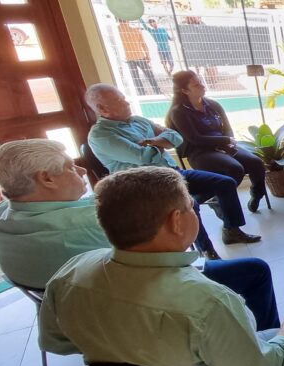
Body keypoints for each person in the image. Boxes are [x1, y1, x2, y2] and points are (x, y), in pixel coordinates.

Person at [38, 167, 284, 366]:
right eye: (191, 206)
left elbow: (57, 343)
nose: (195, 211)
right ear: (176, 221)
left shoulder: (70, 273)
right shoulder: (207, 301)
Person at [0, 139, 280, 330]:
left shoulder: (4, 214)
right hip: (131, 307)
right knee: (255, 270)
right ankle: (267, 341)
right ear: (46, 179)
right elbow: (169, 248)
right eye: (71, 167)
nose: (82, 170)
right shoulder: (91, 222)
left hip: (64, 315)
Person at [85, 83, 261, 246]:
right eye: (120, 100)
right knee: (190, 204)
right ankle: (207, 250)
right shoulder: (101, 135)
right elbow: (143, 157)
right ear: (102, 108)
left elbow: (176, 137)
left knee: (225, 183)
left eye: (124, 98)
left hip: (173, 173)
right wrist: (161, 142)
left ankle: (231, 231)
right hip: (145, 184)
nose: (127, 102)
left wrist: (153, 142)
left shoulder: (138, 120)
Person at [168, 70, 267, 213]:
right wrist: (225, 140)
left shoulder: (213, 105)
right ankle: (216, 198)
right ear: (185, 91)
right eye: (196, 85)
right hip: (200, 152)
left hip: (223, 147)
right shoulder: (178, 112)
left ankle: (257, 194)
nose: (202, 86)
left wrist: (228, 140)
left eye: (201, 82)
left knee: (256, 162)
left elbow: (227, 128)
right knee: (234, 169)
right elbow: (195, 139)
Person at [116, 18, 158, 95]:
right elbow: (143, 44)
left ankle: (142, 93)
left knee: (135, 78)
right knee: (149, 74)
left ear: (119, 21)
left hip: (128, 58)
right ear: (128, 20)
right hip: (139, 56)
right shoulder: (136, 30)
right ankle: (157, 91)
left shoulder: (117, 31)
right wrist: (148, 55)